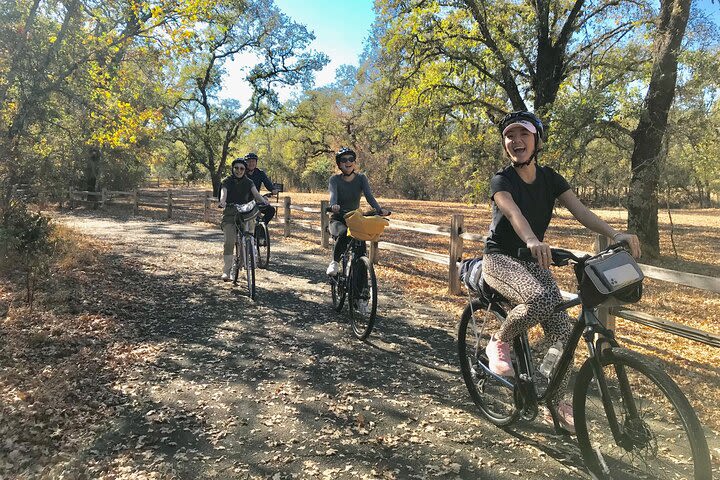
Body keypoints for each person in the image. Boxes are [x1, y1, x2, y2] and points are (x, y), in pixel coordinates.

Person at [481, 110, 641, 433]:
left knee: (564, 331)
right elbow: (512, 213)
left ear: (537, 140)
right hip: (499, 260)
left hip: (533, 262)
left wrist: (615, 235)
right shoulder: (502, 180)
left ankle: (553, 393)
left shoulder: (551, 178)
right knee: (540, 299)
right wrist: (530, 239)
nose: (516, 141)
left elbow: (580, 210)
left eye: (523, 134)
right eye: (510, 136)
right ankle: (499, 339)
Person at [326, 147, 389, 276]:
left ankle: (361, 290)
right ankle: (335, 262)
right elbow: (333, 196)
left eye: (351, 159)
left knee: (361, 246)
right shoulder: (334, 180)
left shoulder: (361, 178)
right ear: (339, 164)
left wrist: (379, 209)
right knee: (344, 233)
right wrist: (333, 206)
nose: (347, 162)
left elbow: (369, 196)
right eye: (344, 160)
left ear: (354, 162)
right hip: (338, 218)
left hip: (355, 218)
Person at [218, 157, 270, 281]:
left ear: (244, 170)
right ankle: (227, 270)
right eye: (236, 168)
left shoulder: (248, 182)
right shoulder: (227, 181)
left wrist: (264, 202)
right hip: (230, 214)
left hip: (246, 214)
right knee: (229, 242)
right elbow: (223, 193)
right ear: (232, 169)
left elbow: (256, 194)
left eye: (242, 168)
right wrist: (222, 202)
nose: (239, 171)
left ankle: (247, 259)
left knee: (248, 238)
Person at [244, 152, 278, 227]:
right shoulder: (242, 172)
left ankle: (261, 227)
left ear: (256, 163)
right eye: (249, 161)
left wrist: (272, 189)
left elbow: (267, 182)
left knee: (271, 210)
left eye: (253, 161)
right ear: (245, 163)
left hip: (256, 199)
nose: (251, 163)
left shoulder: (260, 173)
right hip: (243, 200)